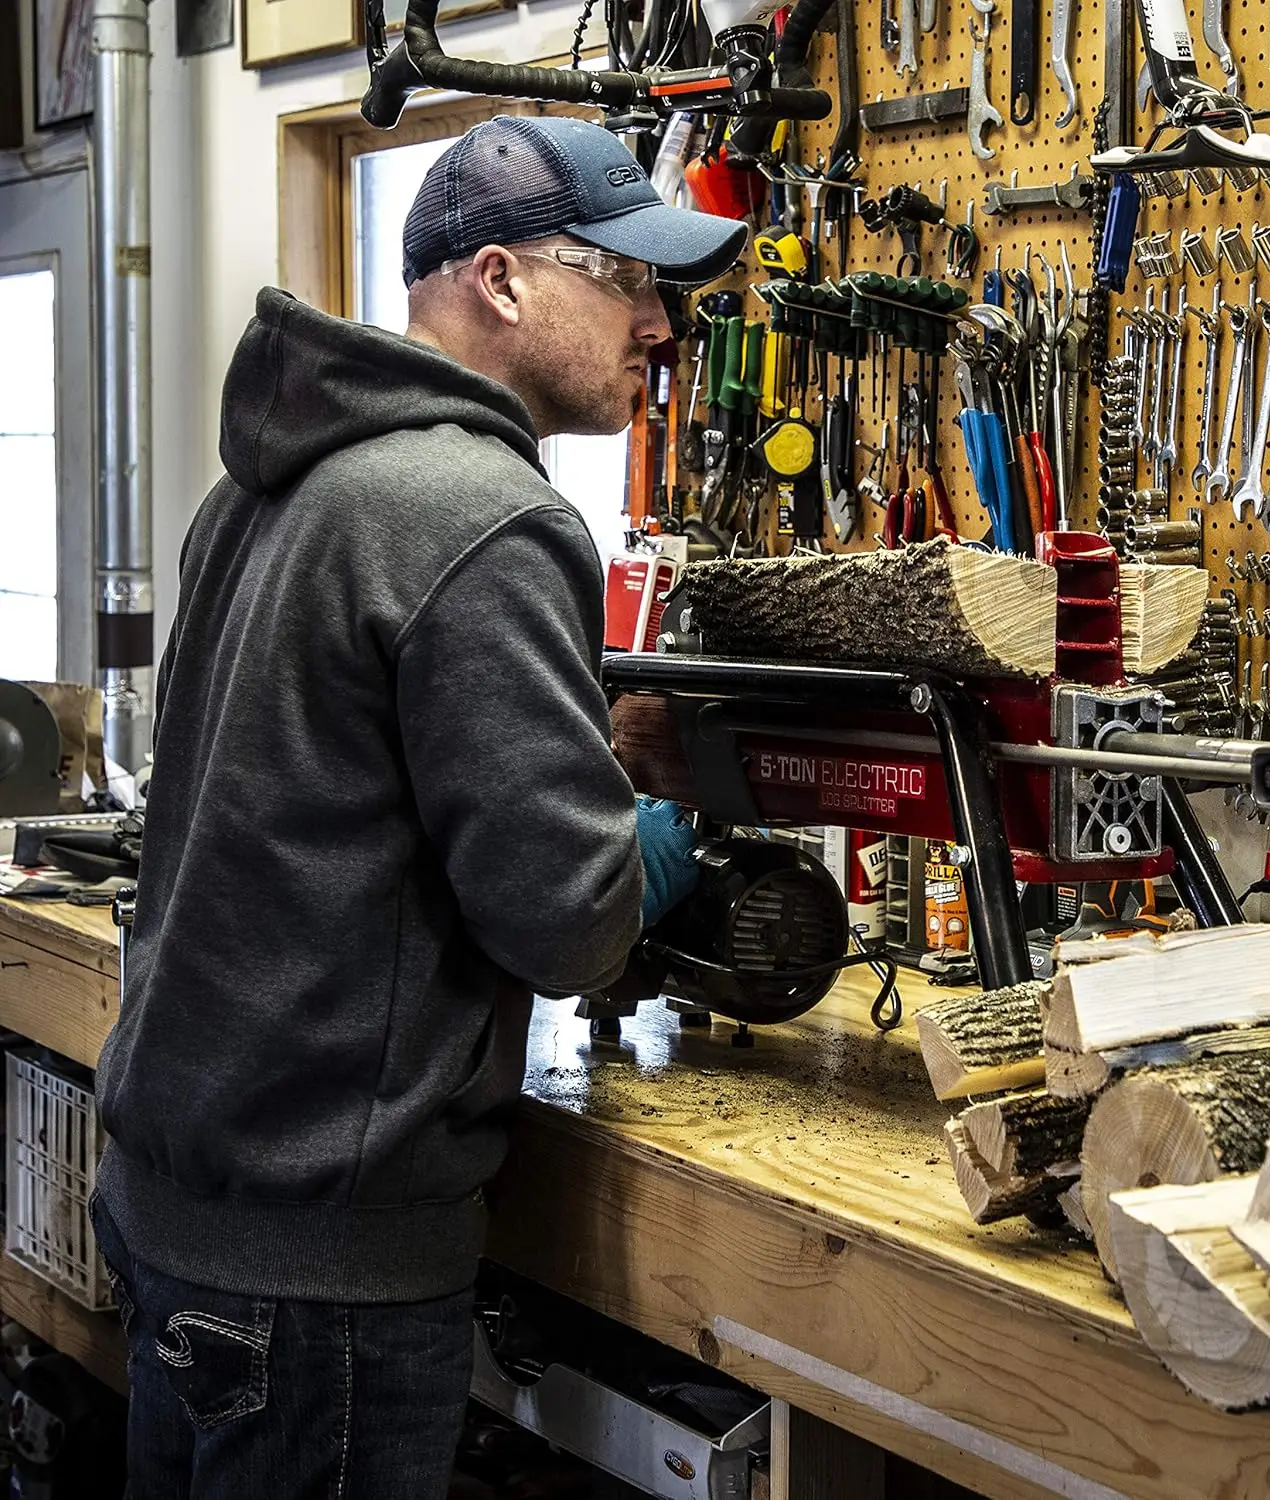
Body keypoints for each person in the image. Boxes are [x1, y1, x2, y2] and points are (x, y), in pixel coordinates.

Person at [89, 113, 747, 1498]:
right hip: (322, 1273)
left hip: (180, 1215)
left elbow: (341, 792)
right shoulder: (487, 513)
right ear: (501, 280)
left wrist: (588, 759)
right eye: (630, 283)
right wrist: (668, 837)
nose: (662, 328)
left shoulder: (271, 483)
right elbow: (568, 932)